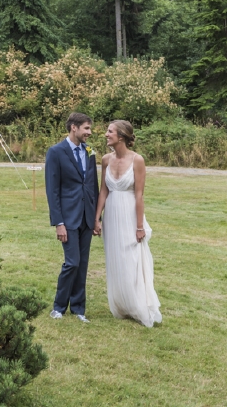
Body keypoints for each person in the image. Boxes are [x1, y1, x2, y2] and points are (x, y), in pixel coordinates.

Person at [95, 120, 162, 327]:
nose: (106, 134)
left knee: (132, 259)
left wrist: (140, 226)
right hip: (111, 214)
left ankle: (138, 304)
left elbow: (139, 195)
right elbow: (103, 190)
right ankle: (122, 305)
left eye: (110, 131)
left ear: (121, 136)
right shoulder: (106, 160)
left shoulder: (137, 160)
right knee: (115, 259)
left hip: (130, 214)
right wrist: (97, 218)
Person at [45, 112, 99, 323]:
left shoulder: (89, 151)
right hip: (68, 218)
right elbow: (52, 190)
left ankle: (78, 309)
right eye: (86, 128)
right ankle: (58, 307)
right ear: (73, 127)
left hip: (87, 216)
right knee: (72, 262)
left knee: (82, 264)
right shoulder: (56, 152)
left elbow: (93, 186)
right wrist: (58, 222)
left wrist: (97, 218)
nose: (89, 132)